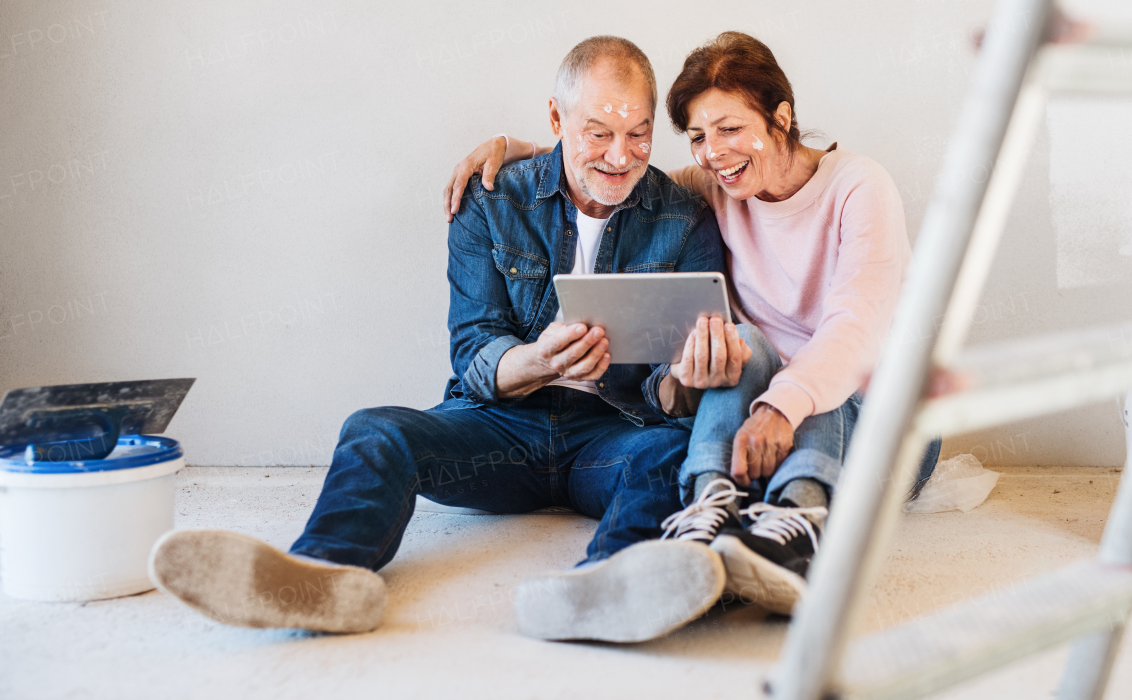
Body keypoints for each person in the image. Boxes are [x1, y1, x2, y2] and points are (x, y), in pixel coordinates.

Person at [149, 35, 753, 644]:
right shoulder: (491, 199)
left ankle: (608, 586)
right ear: (555, 119)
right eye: (597, 133)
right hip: (498, 430)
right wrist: (535, 361)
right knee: (376, 429)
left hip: (611, 437)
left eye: (639, 134)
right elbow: (472, 350)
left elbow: (669, 391)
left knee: (677, 456)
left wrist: (686, 381)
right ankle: (324, 576)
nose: (620, 156)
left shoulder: (685, 216)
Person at [445, 31, 941, 615]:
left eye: (731, 130)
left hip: (869, 404)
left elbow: (853, 330)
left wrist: (780, 407)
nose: (714, 153)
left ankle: (797, 527)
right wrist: (521, 148)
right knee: (738, 343)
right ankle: (710, 517)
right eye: (699, 137)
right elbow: (612, 171)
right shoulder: (718, 185)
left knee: (810, 395)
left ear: (780, 117)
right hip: (759, 400)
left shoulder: (860, 187)